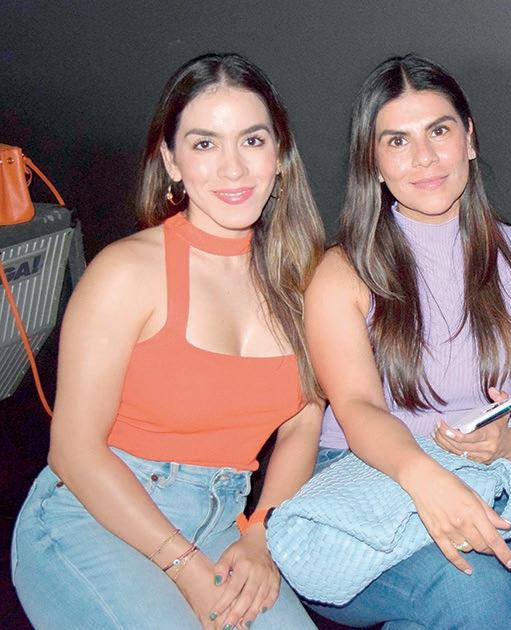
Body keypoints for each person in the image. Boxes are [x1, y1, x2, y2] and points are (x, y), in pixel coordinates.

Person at [11, 53, 325, 629]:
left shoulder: (303, 280)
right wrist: (184, 567)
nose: (233, 168)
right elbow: (73, 450)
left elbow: (304, 423)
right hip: (98, 515)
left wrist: (262, 535)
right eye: (205, 144)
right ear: (171, 161)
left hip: (225, 521)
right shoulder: (126, 272)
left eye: (252, 140)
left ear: (279, 155)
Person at [303, 54, 511, 629]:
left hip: (494, 485)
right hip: (365, 485)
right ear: (373, 162)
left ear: (469, 139)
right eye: (397, 141)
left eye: (439, 131)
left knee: (461, 601)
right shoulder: (342, 273)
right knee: (472, 590)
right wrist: (424, 479)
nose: (423, 157)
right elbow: (357, 406)